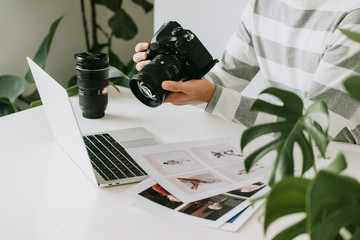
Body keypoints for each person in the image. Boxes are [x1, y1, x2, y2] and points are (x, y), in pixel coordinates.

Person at [133, 0, 360, 144]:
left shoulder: (353, 18)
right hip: (284, 145)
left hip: (345, 159)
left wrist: (210, 96)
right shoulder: (261, 6)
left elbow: (314, 131)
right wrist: (172, 77)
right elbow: (224, 82)